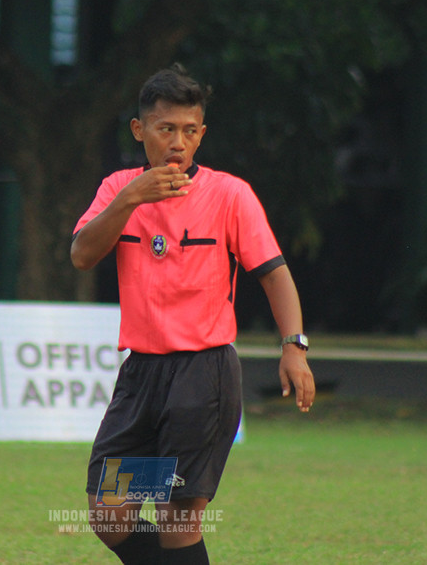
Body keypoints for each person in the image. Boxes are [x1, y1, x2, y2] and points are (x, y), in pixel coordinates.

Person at [71, 64, 315, 564]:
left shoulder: (229, 195)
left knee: (177, 518)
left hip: (202, 379)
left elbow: (274, 274)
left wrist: (294, 346)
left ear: (202, 135)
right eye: (165, 129)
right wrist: (129, 200)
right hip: (141, 377)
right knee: (108, 510)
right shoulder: (118, 187)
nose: (177, 142)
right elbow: (81, 254)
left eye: (188, 130)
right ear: (140, 131)